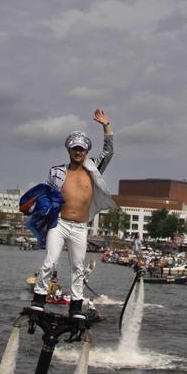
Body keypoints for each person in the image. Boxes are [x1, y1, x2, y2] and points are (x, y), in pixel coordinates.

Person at [28, 108, 115, 324]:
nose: (78, 153)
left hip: (80, 227)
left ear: (86, 152)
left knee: (78, 267)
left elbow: (109, 152)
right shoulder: (56, 171)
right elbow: (47, 196)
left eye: (82, 150)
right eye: (75, 149)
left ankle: (76, 306)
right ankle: (39, 298)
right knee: (50, 262)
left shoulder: (93, 169)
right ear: (69, 150)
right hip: (60, 223)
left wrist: (106, 125)